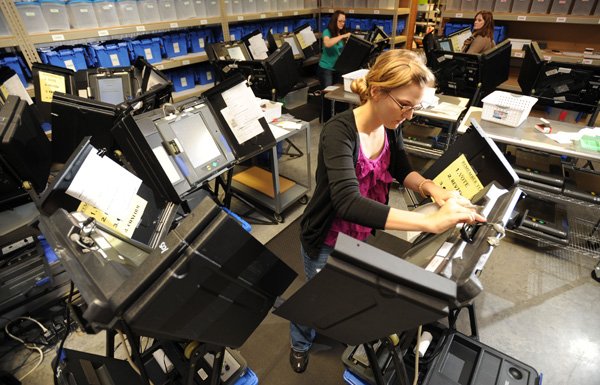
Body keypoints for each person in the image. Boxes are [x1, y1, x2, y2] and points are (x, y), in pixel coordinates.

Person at [289, 49, 486, 373]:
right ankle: (300, 342)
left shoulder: (389, 123)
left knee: (345, 287)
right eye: (404, 105)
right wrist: (429, 222)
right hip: (325, 236)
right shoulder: (339, 131)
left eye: (415, 106)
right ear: (377, 91)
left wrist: (434, 189)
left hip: (360, 231)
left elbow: (400, 168)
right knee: (316, 298)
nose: (408, 115)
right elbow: (346, 202)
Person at [317, 10, 351, 89]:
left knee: (337, 93)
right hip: (327, 68)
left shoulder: (342, 33)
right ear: (334, 21)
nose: (342, 23)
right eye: (340, 21)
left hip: (338, 68)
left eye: (344, 21)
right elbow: (327, 43)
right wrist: (342, 37)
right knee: (327, 93)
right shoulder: (327, 32)